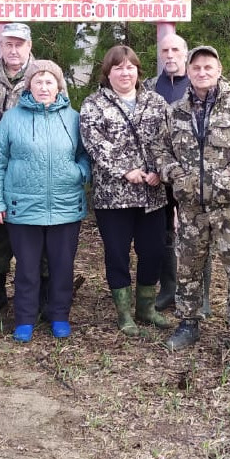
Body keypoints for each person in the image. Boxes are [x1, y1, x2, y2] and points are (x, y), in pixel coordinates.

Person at [154, 45, 230, 360]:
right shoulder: (175, 110)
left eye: (208, 67)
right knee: (189, 268)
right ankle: (188, 322)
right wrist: (175, 174)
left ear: (218, 70)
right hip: (190, 209)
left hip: (229, 209)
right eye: (197, 68)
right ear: (188, 72)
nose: (202, 72)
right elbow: (160, 150)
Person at [0, 60, 90, 343]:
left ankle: (59, 316)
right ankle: (25, 319)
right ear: (29, 85)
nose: (44, 87)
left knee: (61, 267)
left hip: (65, 206)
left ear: (59, 86)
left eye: (49, 82)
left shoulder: (74, 118)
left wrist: (78, 172)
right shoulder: (11, 119)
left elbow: (85, 155)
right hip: (22, 207)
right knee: (27, 268)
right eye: (38, 81)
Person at [79, 45, 175, 336]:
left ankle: (146, 308)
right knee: (118, 254)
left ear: (138, 71)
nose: (125, 72)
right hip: (113, 197)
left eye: (130, 67)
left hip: (152, 195)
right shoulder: (94, 104)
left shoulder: (157, 102)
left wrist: (161, 171)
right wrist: (125, 170)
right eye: (118, 68)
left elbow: (170, 141)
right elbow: (94, 143)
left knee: (153, 252)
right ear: (108, 73)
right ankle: (123, 313)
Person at [0, 22, 50, 318]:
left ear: (29, 46)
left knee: (38, 233)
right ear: (1, 46)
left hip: (32, 169)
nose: (13, 49)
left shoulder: (43, 75)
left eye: (19, 44)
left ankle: (42, 295)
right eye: (8, 43)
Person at [142, 33, 208, 314]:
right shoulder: (147, 88)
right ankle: (169, 288)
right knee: (165, 234)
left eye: (175, 50)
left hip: (193, 176)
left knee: (199, 232)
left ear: (185, 54)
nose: (169, 55)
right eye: (164, 50)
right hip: (160, 174)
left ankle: (200, 297)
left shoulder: (199, 86)